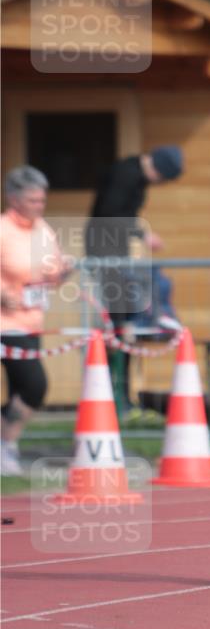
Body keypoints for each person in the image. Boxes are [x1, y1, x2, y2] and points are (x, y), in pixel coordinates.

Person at [85, 145, 183, 413]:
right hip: (106, 256)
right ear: (157, 169)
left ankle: (122, 395)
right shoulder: (125, 175)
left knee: (127, 323)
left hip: (119, 256)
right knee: (118, 326)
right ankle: (112, 396)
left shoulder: (136, 177)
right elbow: (109, 215)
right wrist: (142, 234)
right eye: (162, 178)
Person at [1, 166, 72, 476]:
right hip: (5, 325)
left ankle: (6, 447)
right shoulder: (3, 230)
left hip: (32, 321)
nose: (39, 206)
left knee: (21, 392)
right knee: (35, 386)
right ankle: (6, 445)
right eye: (32, 201)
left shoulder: (43, 229)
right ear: (14, 199)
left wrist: (63, 270)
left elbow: (52, 271)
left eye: (42, 200)